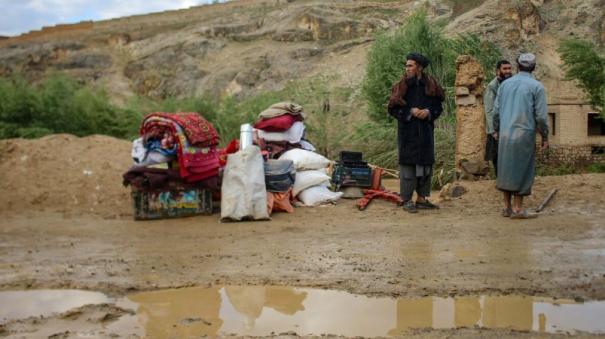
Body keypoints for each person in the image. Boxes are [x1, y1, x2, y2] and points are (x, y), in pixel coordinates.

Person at [493, 53, 549, 219]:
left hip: (505, 133)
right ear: (533, 67)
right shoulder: (537, 86)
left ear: (518, 66)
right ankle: (517, 209)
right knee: (523, 170)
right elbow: (541, 117)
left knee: (505, 169)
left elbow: (496, 112)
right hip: (524, 134)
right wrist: (545, 136)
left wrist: (496, 129)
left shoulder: (505, 85)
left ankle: (506, 207)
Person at [388, 52, 445, 213]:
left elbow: (438, 107)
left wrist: (428, 112)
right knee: (408, 167)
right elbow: (392, 108)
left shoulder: (431, 85)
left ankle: (422, 199)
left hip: (426, 132)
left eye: (410, 65)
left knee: (425, 166)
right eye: (406, 65)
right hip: (408, 133)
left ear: (419, 68)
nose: (407, 68)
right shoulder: (401, 86)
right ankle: (406, 199)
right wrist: (410, 111)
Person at [483, 60, 513, 177]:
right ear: (498, 71)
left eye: (509, 68)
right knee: (497, 156)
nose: (508, 71)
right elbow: (489, 110)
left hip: (511, 125)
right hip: (497, 127)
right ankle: (500, 179)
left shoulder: (512, 83)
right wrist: (493, 130)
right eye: (505, 69)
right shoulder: (492, 86)